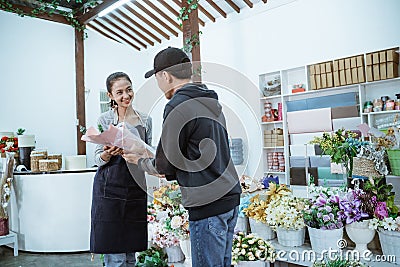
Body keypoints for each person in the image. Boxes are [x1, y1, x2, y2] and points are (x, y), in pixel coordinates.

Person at [123, 47, 242, 267]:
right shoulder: (211, 101)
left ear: (165, 76)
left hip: (207, 204)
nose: (159, 85)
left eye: (157, 78)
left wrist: (139, 161)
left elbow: (165, 165)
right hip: (229, 197)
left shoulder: (177, 106)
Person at [90, 72, 152, 267]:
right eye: (119, 92)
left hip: (135, 187)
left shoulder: (145, 120)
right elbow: (97, 158)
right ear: (110, 96)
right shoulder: (105, 119)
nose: (126, 95)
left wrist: (138, 152)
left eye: (129, 90)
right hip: (109, 188)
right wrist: (108, 153)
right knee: (115, 255)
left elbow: (149, 154)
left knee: (130, 254)